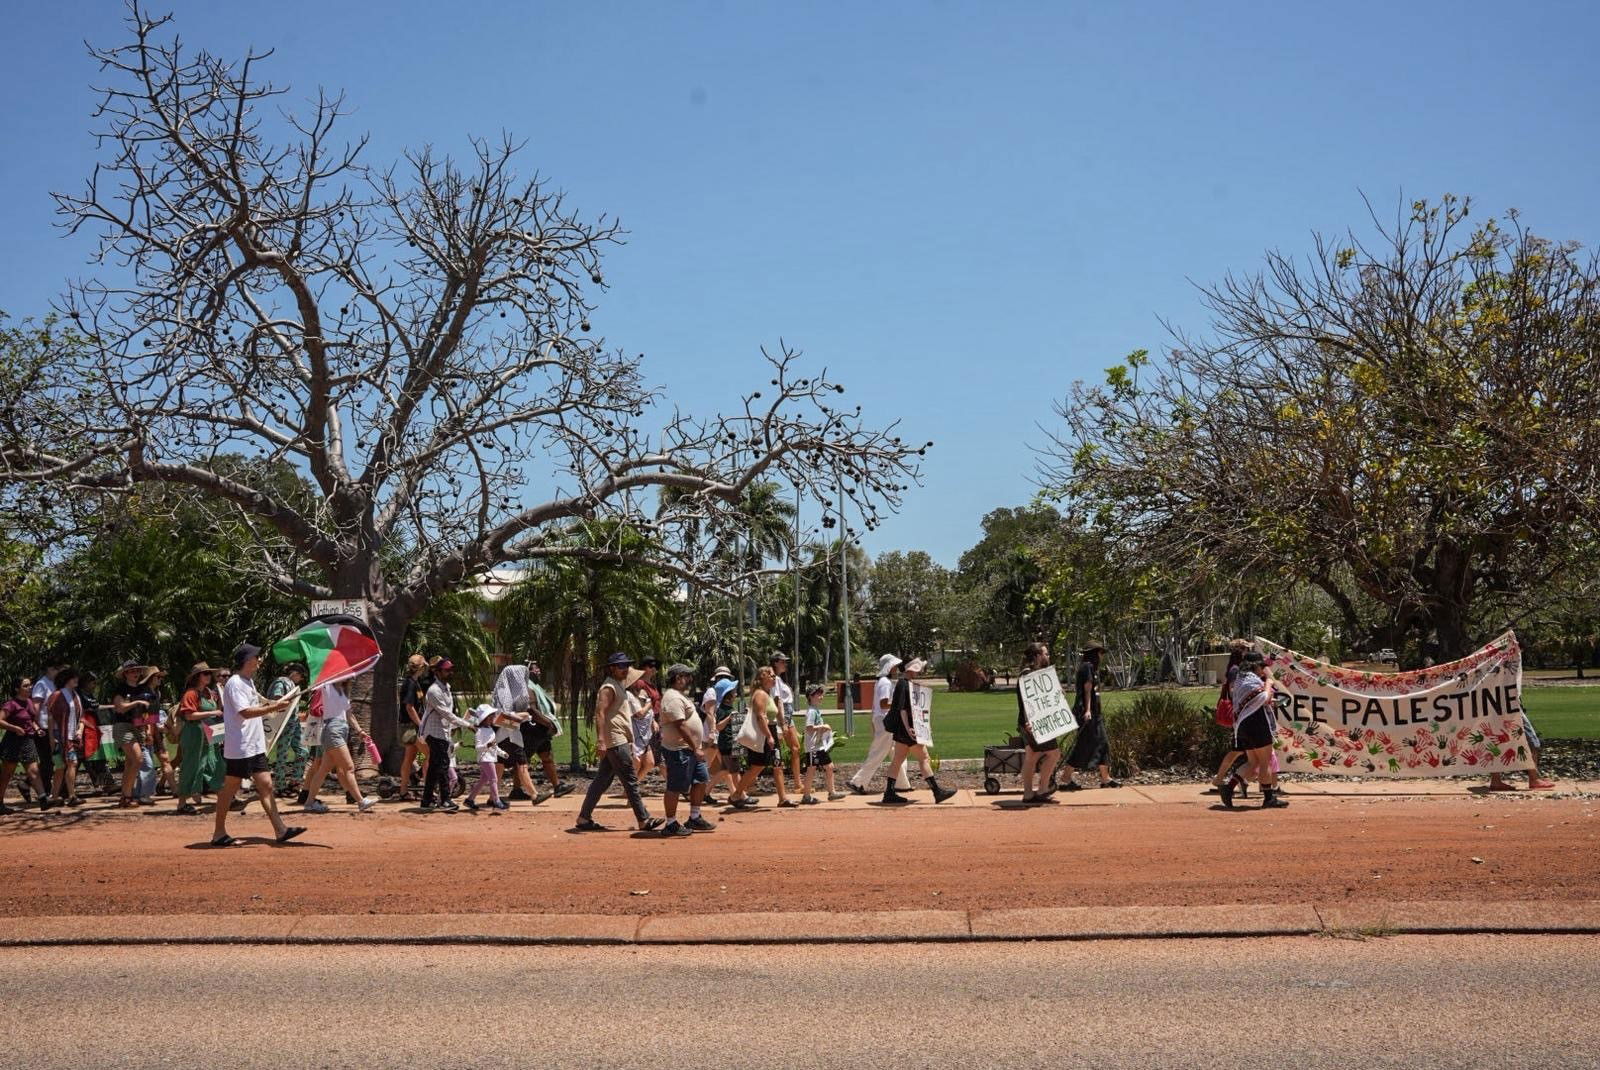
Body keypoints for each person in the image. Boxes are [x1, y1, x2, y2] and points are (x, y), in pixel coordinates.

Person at [211, 644, 305, 846]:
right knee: (230, 790)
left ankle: (280, 830)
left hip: (254, 745)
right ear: (248, 660)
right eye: (257, 656)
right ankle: (218, 832)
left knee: (266, 785)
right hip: (241, 746)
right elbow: (244, 712)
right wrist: (274, 707)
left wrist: (275, 705)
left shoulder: (248, 682)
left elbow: (254, 707)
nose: (260, 660)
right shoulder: (235, 683)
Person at [574, 654, 661, 832]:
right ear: (612, 668)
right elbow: (600, 713)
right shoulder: (608, 687)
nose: (625, 669)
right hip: (615, 739)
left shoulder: (618, 685)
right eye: (621, 666)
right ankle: (643, 819)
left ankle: (584, 818)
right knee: (630, 779)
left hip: (617, 739)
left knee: (601, 781)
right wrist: (600, 741)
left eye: (627, 665)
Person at [879, 658, 956, 805]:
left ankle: (889, 792)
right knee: (924, 758)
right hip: (909, 730)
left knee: (898, 760)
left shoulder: (905, 684)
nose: (920, 671)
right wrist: (909, 729)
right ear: (912, 668)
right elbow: (902, 709)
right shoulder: (904, 685)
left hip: (904, 730)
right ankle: (937, 791)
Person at [491, 655, 566, 802]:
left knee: (501, 766)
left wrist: (521, 718)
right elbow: (500, 718)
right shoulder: (503, 695)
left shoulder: (513, 694)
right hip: (506, 735)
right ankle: (534, 795)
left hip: (511, 735)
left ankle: (492, 797)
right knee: (521, 763)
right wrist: (521, 718)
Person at [1220, 651, 1288, 809]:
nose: (1262, 669)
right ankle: (1269, 798)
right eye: (1261, 666)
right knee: (1264, 762)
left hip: (1243, 725)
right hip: (1257, 723)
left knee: (1253, 762)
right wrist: (1269, 684)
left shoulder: (1239, 680)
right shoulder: (1251, 681)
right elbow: (1264, 698)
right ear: (1254, 666)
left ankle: (1228, 788)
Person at [300, 679, 376, 813]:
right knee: (349, 767)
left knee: (323, 770)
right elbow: (320, 678)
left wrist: (360, 731)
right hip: (333, 731)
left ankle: (309, 802)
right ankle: (361, 801)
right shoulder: (327, 686)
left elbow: (349, 714)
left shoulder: (343, 692)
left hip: (339, 731)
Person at [656, 664, 714, 836]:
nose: (689, 680)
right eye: (686, 676)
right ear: (678, 677)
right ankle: (671, 823)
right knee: (675, 786)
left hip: (691, 750)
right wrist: (695, 746)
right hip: (679, 750)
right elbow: (680, 725)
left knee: (701, 780)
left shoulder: (680, 696)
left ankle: (694, 817)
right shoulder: (672, 698)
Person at [848, 655, 912, 795]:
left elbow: (877, 705)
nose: (895, 668)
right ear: (889, 667)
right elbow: (884, 703)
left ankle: (902, 783)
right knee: (878, 753)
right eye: (894, 666)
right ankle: (858, 782)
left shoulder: (882, 681)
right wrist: (900, 704)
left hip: (883, 720)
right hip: (885, 721)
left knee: (896, 752)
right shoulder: (885, 682)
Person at [1060, 641, 1119, 790]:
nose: (1101, 656)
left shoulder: (1092, 668)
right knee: (1084, 744)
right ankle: (1066, 778)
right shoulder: (1087, 667)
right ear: (1094, 654)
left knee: (1102, 743)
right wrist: (1087, 710)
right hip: (1088, 714)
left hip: (1095, 714)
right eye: (1100, 653)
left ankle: (1105, 778)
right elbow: (1087, 690)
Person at [733, 666, 795, 808]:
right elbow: (760, 717)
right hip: (763, 734)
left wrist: (782, 725)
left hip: (770, 730)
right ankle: (736, 795)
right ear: (762, 677)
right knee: (757, 766)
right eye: (771, 675)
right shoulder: (760, 694)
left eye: (774, 675)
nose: (774, 678)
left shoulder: (768, 694)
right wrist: (769, 736)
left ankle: (782, 798)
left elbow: (773, 714)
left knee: (777, 765)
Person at [419, 659, 471, 813]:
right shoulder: (434, 691)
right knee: (443, 765)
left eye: (451, 670)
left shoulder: (446, 687)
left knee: (435, 767)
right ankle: (445, 800)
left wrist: (454, 727)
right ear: (438, 672)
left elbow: (449, 713)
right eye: (447, 670)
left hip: (443, 731)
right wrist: (468, 725)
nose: (450, 673)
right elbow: (446, 713)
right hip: (434, 732)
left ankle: (427, 800)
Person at [175, 663, 224, 815]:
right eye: (206, 674)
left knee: (215, 763)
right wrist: (212, 713)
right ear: (197, 677)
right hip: (194, 733)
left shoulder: (209, 692)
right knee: (191, 766)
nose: (209, 676)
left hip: (210, 732)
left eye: (210, 673)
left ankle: (225, 797)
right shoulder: (191, 693)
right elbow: (189, 715)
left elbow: (219, 709)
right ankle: (182, 803)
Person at [1016, 643, 1061, 805]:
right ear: (1036, 656)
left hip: (1032, 723)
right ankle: (1042, 790)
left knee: (1032, 756)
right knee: (1054, 753)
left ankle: (1029, 793)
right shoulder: (1027, 675)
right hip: (1033, 723)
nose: (1048, 657)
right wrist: (1029, 721)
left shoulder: (1037, 674)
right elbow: (1027, 701)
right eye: (1046, 654)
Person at [1208, 640, 1253, 799]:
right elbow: (1235, 691)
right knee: (1241, 751)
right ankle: (1224, 778)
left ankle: (1236, 779)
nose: (1249, 651)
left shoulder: (1235, 669)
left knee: (1242, 751)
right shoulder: (1235, 670)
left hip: (1241, 714)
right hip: (1239, 715)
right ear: (1240, 651)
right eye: (1247, 649)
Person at [1, 676, 49, 813]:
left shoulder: (29, 702)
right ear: (17, 689)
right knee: (6, 774)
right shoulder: (11, 704)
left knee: (34, 770)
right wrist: (14, 728)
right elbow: (0, 721)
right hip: (12, 741)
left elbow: (31, 720)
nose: (30, 688)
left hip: (28, 740)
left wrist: (37, 729)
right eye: (26, 686)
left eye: (30, 685)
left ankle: (43, 800)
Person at [110, 661, 155, 808]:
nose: (135, 673)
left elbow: (148, 712)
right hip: (123, 726)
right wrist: (136, 703)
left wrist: (148, 730)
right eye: (131, 671)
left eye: (137, 670)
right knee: (138, 759)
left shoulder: (143, 689)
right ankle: (127, 796)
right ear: (125, 674)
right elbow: (120, 708)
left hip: (139, 726)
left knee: (130, 763)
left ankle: (125, 797)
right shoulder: (120, 689)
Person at [45, 667, 86, 806]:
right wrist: (51, 737)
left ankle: (61, 796)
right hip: (59, 735)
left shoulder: (76, 695)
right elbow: (50, 718)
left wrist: (80, 729)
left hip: (72, 736)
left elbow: (82, 717)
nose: (76, 680)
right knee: (64, 765)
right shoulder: (56, 695)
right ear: (66, 679)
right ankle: (66, 796)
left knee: (68, 765)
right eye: (73, 677)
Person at [1489, 711, 1558, 792]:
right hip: (1512, 710)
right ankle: (1534, 779)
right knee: (1533, 742)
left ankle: (1495, 780)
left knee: (1496, 743)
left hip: (1494, 710)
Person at [465, 703, 515, 813]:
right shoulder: (480, 732)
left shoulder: (490, 730)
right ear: (485, 718)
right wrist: (487, 746)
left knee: (484, 780)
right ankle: (496, 802)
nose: (493, 717)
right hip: (485, 759)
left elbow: (494, 745)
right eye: (491, 715)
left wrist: (502, 753)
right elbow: (478, 747)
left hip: (490, 758)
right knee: (494, 779)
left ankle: (470, 799)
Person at [800, 684, 845, 802]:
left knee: (829, 767)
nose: (821, 696)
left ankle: (832, 792)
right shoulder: (811, 712)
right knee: (811, 769)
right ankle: (806, 796)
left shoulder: (816, 710)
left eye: (821, 694)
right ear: (811, 696)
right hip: (813, 747)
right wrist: (823, 726)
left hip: (819, 746)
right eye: (818, 694)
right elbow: (809, 728)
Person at [770, 652, 805, 799]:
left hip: (787, 716)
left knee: (796, 748)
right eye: (783, 661)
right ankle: (748, 784)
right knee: (772, 753)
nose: (785, 664)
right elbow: (777, 701)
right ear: (776, 662)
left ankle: (798, 784)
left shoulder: (780, 679)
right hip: (782, 717)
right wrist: (781, 723)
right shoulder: (774, 679)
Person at [396, 654, 430, 802]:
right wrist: (420, 724)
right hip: (411, 727)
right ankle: (428, 789)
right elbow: (409, 707)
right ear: (421, 667)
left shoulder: (414, 682)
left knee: (409, 758)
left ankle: (403, 790)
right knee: (428, 753)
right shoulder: (410, 684)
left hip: (409, 726)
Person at [702, 667, 737, 802]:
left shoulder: (721, 692)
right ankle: (698, 790)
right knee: (708, 763)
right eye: (722, 677)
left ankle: (733, 792)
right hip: (713, 731)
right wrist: (712, 732)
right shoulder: (712, 692)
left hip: (718, 731)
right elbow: (710, 713)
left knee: (724, 765)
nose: (725, 679)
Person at [30, 660, 61, 805]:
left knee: (50, 760)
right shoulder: (42, 684)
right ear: (48, 668)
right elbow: (35, 707)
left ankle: (26, 784)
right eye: (56, 668)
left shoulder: (54, 683)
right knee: (47, 760)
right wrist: (35, 725)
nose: (58, 671)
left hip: (53, 726)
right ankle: (45, 793)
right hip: (42, 726)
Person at [710, 676, 745, 805]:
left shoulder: (730, 708)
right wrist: (729, 718)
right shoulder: (722, 710)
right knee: (735, 771)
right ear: (728, 695)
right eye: (734, 691)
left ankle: (706, 791)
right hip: (728, 744)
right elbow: (718, 726)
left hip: (731, 743)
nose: (736, 693)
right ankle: (740, 795)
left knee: (725, 770)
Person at [78, 672, 110, 795]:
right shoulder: (79, 695)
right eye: (93, 682)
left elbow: (96, 707)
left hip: (93, 730)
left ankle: (105, 784)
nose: (95, 685)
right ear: (85, 682)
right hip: (85, 730)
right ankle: (105, 784)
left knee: (95, 758)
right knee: (89, 758)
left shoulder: (89, 695)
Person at [632, 656, 661, 789]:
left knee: (649, 763)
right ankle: (631, 790)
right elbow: (639, 707)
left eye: (655, 666)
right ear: (644, 668)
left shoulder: (651, 685)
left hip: (651, 720)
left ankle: (632, 789)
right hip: (642, 724)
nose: (654, 669)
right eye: (651, 666)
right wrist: (652, 720)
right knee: (639, 761)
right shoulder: (640, 684)